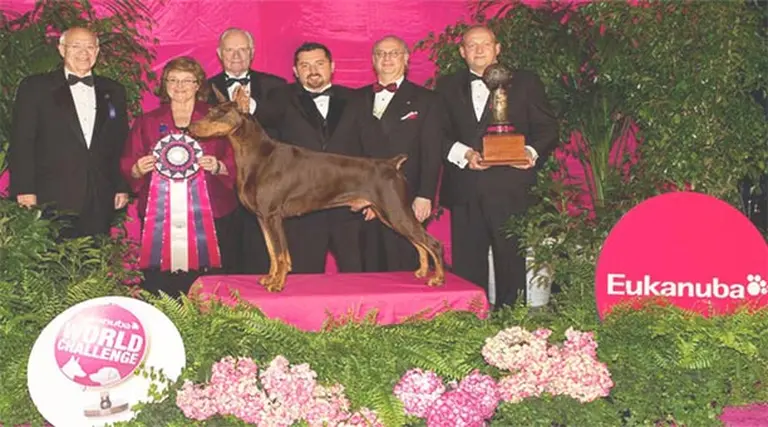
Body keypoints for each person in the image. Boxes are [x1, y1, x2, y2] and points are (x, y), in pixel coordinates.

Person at [435, 25, 559, 309]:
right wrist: (464, 154)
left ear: (498, 48)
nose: (479, 50)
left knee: (510, 261)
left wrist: (527, 152)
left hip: (510, 187)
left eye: (485, 44)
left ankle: (511, 325)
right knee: (467, 262)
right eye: (472, 45)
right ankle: (469, 323)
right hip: (465, 187)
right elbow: (435, 134)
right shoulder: (446, 86)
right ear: (462, 52)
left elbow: (547, 128)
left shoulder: (526, 82)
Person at [120, 56, 238, 296]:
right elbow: (129, 162)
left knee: (210, 286)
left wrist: (218, 166)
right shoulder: (147, 121)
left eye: (187, 80)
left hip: (213, 213)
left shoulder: (217, 119)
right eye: (173, 80)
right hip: (159, 218)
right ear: (164, 84)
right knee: (161, 286)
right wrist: (138, 169)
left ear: (198, 85)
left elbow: (239, 159)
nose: (180, 86)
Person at [259, 42, 377, 274]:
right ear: (295, 71)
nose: (313, 70)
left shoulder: (357, 99)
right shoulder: (280, 100)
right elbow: (265, 152)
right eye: (305, 65)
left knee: (358, 277)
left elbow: (372, 148)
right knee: (304, 279)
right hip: (301, 211)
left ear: (332, 66)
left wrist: (373, 196)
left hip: (349, 207)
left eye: (319, 63)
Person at [9, 27, 130, 238]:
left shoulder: (114, 90)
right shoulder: (35, 87)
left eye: (90, 47)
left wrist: (121, 186)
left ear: (98, 51)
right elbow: (22, 141)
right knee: (53, 264)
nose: (84, 52)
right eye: (76, 46)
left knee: (94, 262)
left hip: (100, 195)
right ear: (62, 50)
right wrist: (24, 188)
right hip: (51, 195)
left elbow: (119, 141)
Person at [357, 35, 442, 272]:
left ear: (406, 59)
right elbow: (350, 150)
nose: (387, 58)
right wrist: (361, 196)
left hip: (407, 196)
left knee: (405, 265)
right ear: (373, 61)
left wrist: (425, 195)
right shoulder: (356, 99)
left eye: (393, 53)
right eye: (381, 54)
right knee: (370, 266)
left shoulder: (427, 100)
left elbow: (432, 151)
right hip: (366, 198)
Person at [208, 28, 287, 274]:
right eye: (230, 50)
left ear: (252, 53)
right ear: (220, 54)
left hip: (266, 181)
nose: (236, 55)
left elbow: (284, 124)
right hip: (221, 180)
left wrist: (251, 107)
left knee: (262, 247)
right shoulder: (204, 87)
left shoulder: (277, 86)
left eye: (242, 49)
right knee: (227, 252)